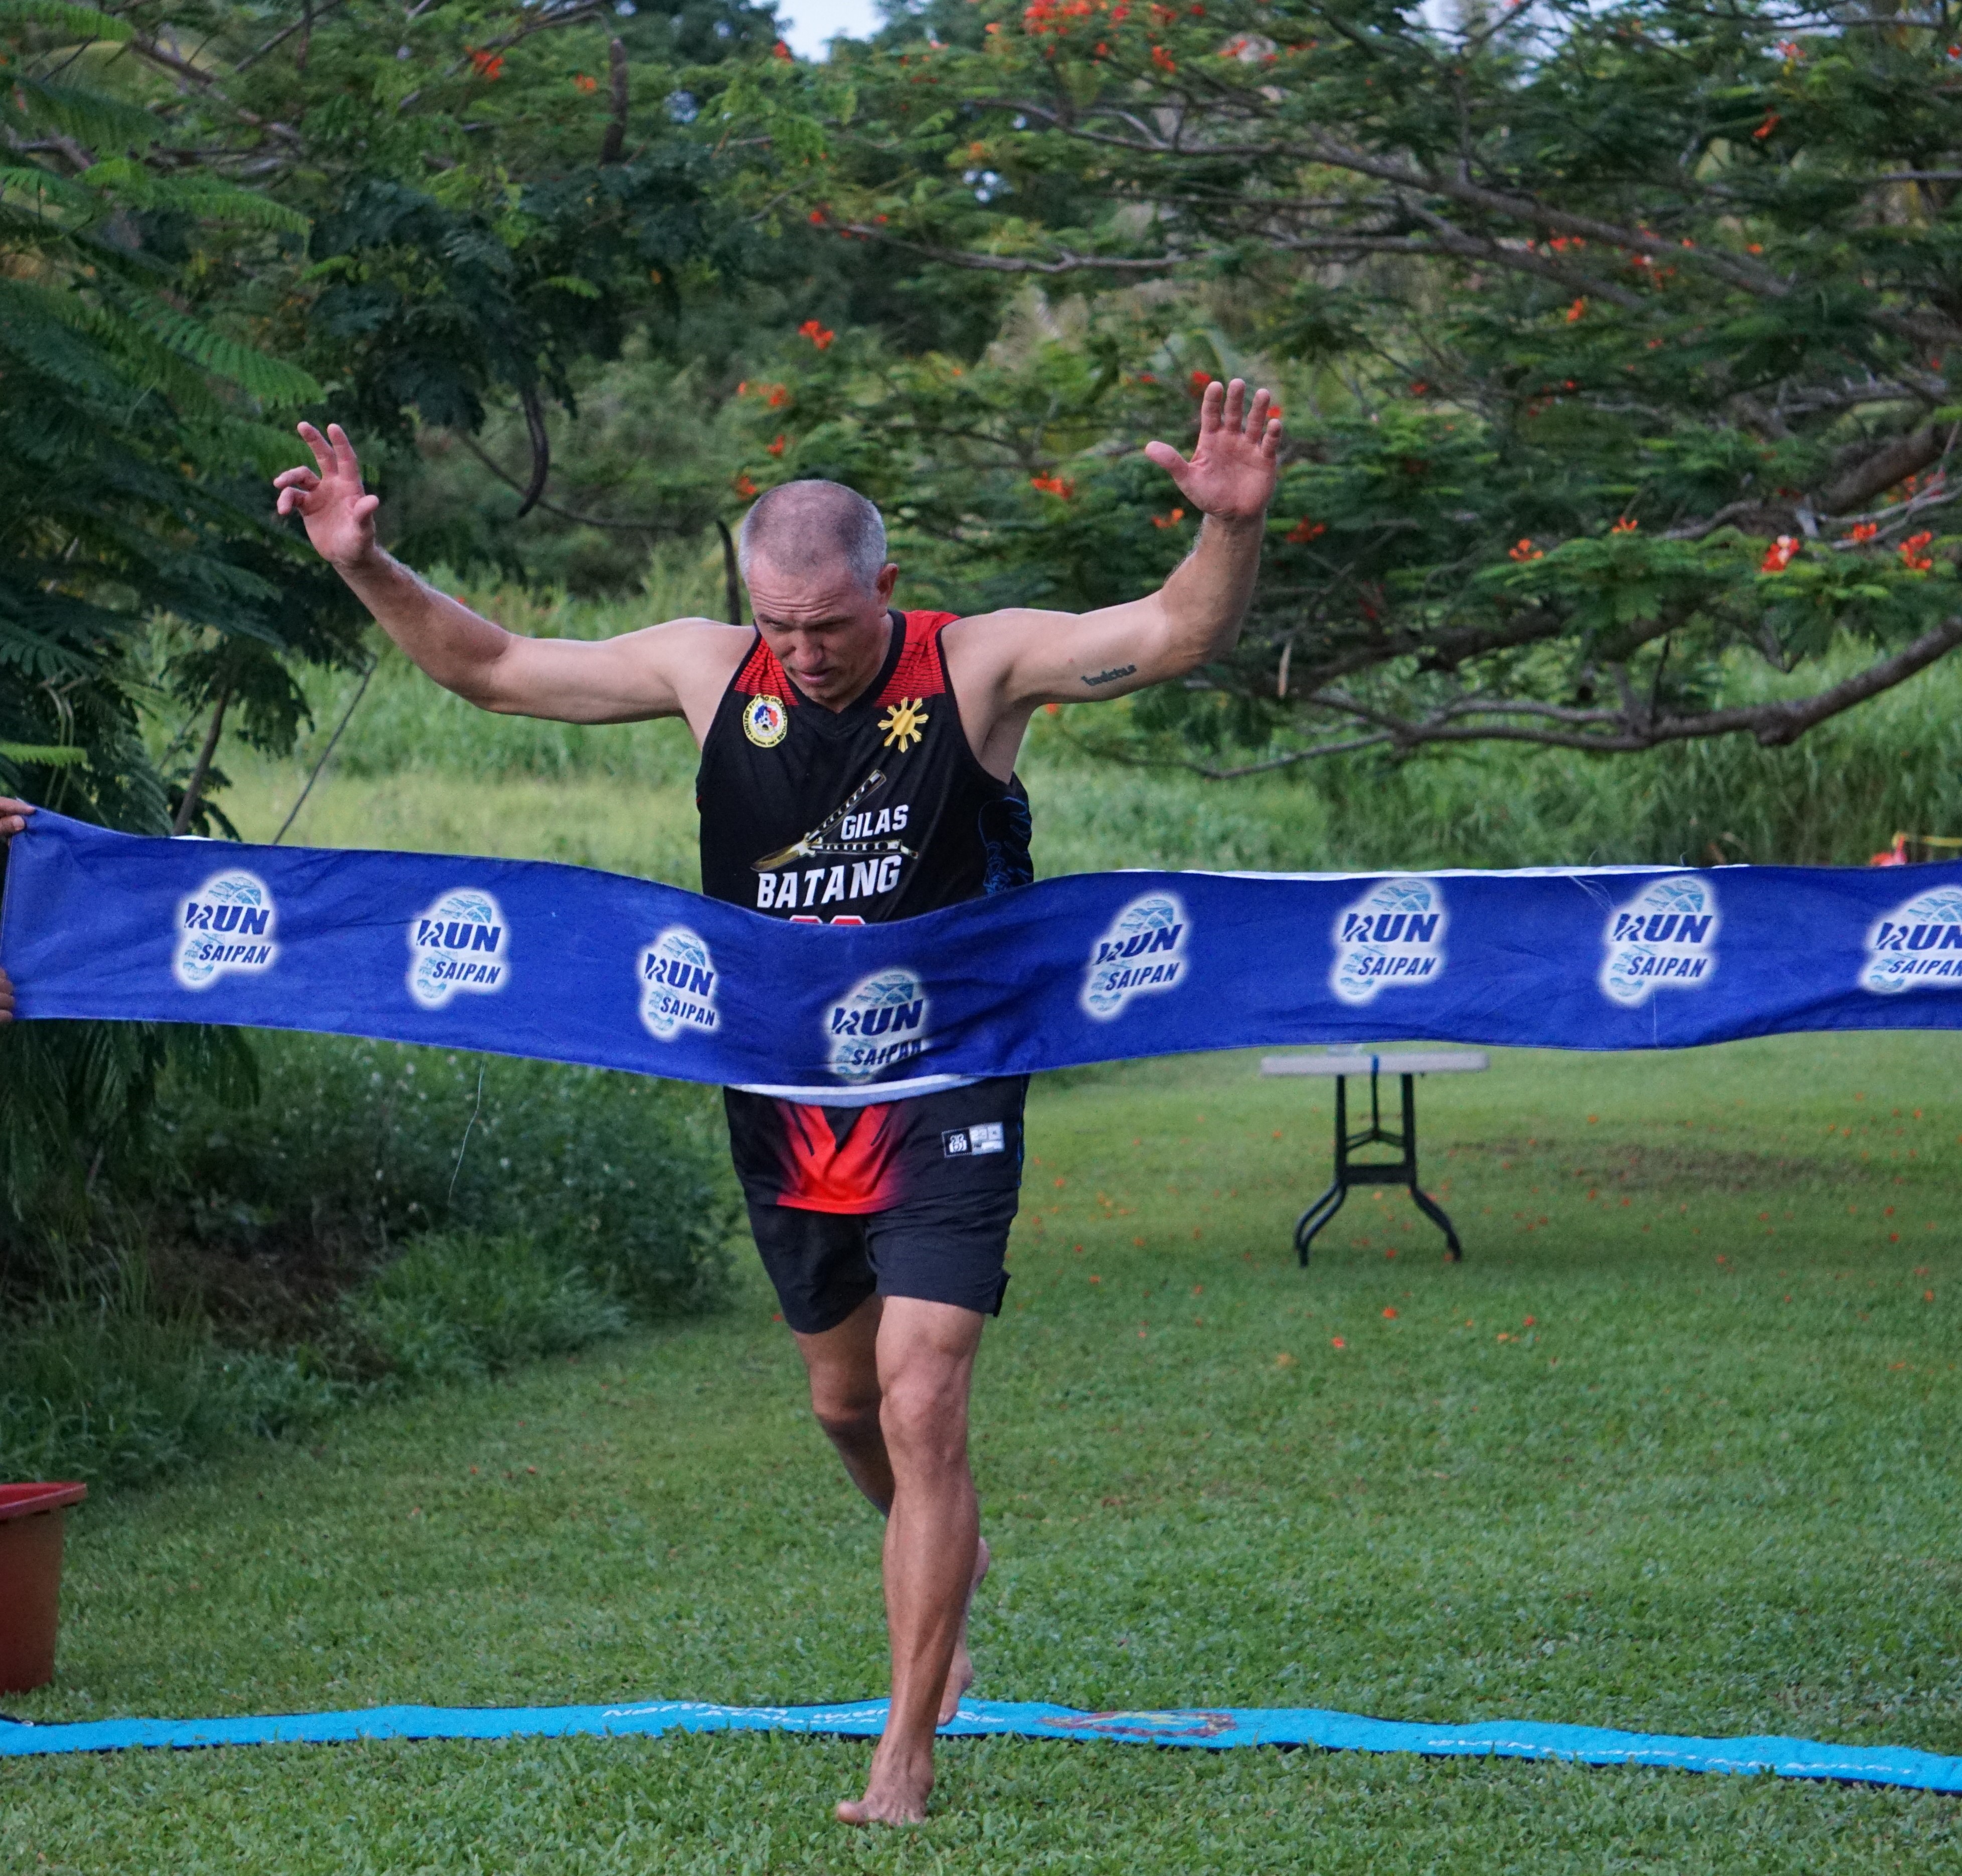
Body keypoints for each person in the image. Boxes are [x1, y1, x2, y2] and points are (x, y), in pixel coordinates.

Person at [0, 376, 1280, 1823]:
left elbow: (1170, 632)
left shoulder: (977, 667)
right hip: (780, 1088)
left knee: (925, 1402)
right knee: (845, 1403)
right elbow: (490, 670)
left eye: (831, 623)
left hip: (947, 1074)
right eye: (778, 623)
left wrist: (1226, 531)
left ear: (888, 589)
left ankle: (905, 1748)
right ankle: (939, 1553)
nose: (802, 651)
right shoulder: (702, 670)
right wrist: (363, 559)